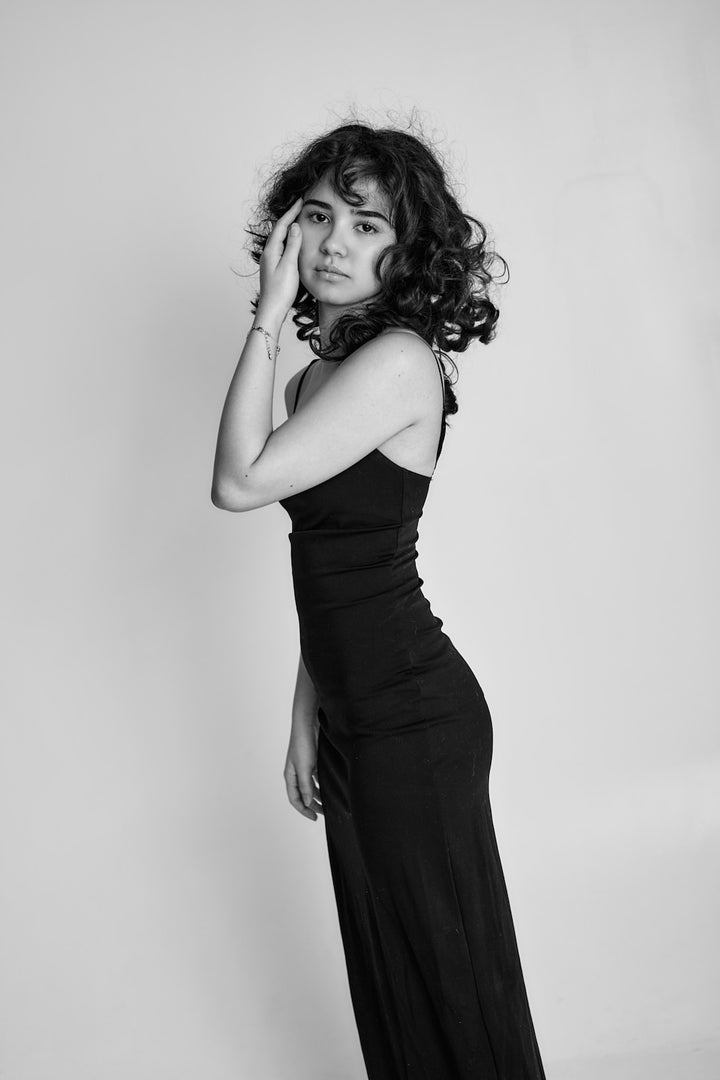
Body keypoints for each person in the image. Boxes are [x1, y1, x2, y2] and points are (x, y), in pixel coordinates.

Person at [212, 120, 547, 1080]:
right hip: (353, 719)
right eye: (319, 217)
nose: (332, 245)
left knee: (452, 979)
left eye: (366, 226)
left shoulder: (398, 361)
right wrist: (306, 711)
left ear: (406, 253)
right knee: (391, 977)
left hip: (416, 719)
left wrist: (265, 314)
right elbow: (329, 567)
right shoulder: (317, 379)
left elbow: (238, 483)